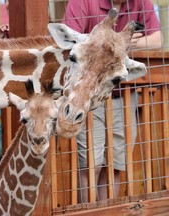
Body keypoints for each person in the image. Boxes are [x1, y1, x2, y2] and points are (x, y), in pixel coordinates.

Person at [63, 0, 162, 203]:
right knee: (91, 164)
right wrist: (110, 42)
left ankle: (109, 210)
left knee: (116, 164)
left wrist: (126, 43)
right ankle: (90, 212)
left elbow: (158, 39)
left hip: (123, 95)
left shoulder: (142, 2)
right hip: (89, 97)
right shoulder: (82, 2)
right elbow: (68, 40)